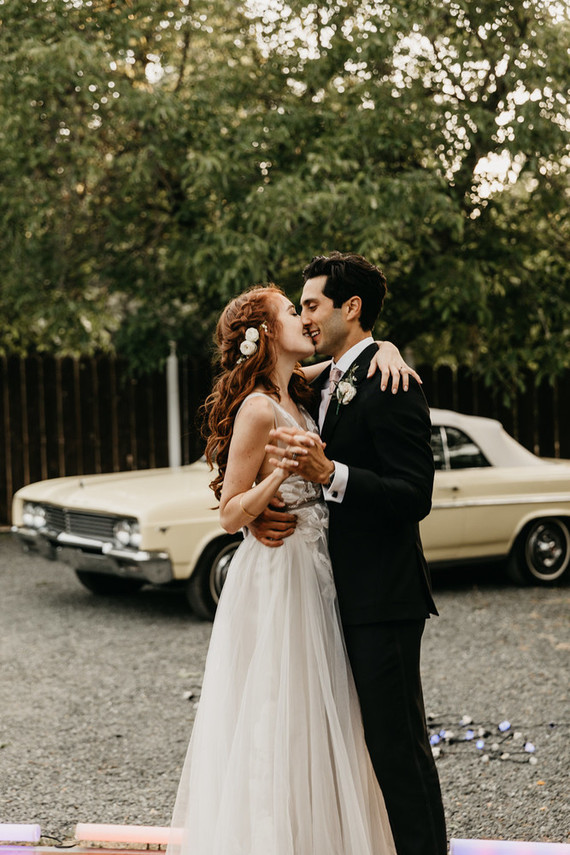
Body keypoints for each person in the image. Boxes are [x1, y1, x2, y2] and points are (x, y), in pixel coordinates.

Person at [166, 284, 408, 855]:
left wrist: (390, 346)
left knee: (321, 715)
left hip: (317, 567)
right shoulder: (256, 407)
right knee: (277, 710)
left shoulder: (304, 387)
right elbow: (229, 512)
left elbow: (359, 356)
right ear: (269, 332)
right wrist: (273, 486)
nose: (304, 319)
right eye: (291, 312)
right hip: (278, 574)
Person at [258, 252, 448, 855]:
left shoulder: (392, 380)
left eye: (312, 304)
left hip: (383, 596)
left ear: (351, 307)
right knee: (364, 744)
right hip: (334, 591)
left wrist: (330, 472)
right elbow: (272, 379)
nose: (306, 317)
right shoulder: (335, 374)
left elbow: (414, 495)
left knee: (398, 748)